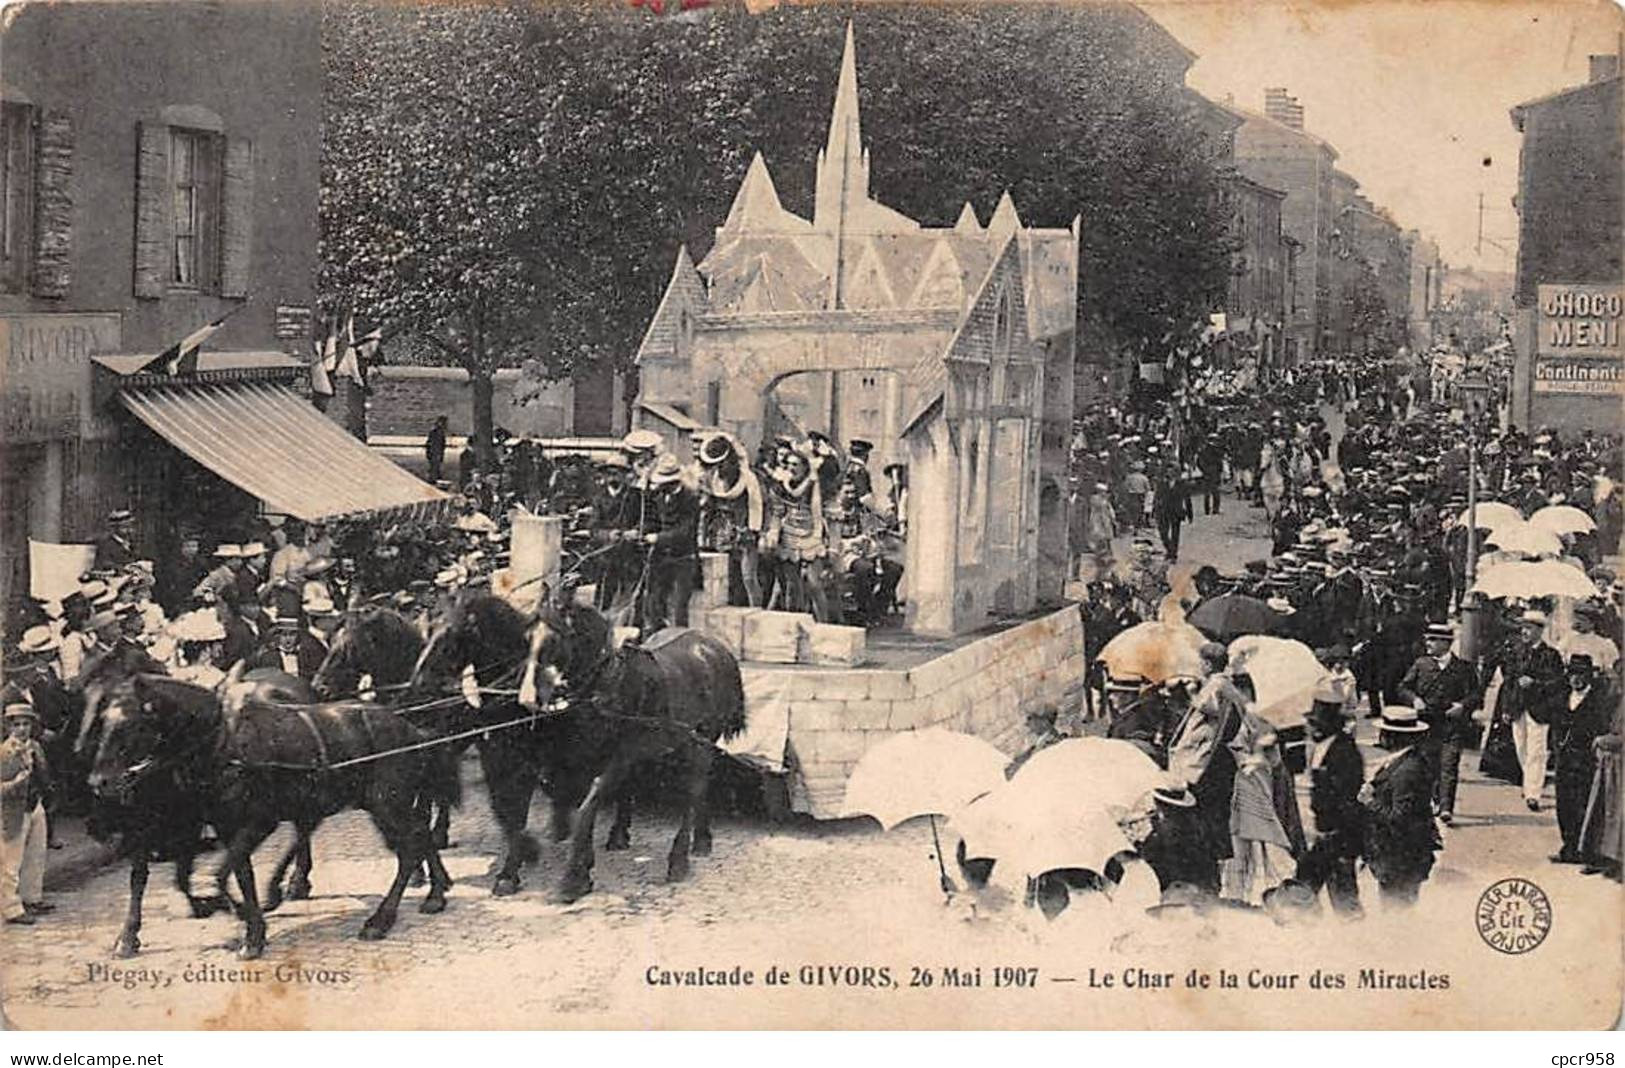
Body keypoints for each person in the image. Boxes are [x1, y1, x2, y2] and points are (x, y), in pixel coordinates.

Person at [1396, 621, 1480, 824]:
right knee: (1429, 765)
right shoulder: (1421, 664)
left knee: (1449, 765)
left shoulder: (1463, 668)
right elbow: (1403, 687)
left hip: (1452, 726)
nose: (1428, 643)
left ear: (1446, 643)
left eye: (1433, 640)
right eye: (1427, 639)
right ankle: (1434, 800)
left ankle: (1445, 807)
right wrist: (1414, 699)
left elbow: (1477, 694)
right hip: (1426, 725)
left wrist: (1462, 705)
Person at [1294, 687, 1365, 916]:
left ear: (1330, 725)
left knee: (1341, 895)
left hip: (1339, 834)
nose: (1311, 728)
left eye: (1316, 724)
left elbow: (1347, 797)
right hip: (1327, 832)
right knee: (1306, 886)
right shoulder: (1322, 746)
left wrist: (1336, 834)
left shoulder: (1344, 752)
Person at [1360, 706, 1438, 907]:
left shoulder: (1407, 772)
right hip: (1400, 856)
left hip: (1401, 858)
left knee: (1396, 911)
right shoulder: (1404, 762)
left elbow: (1400, 817)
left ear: (1390, 737)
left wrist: (1370, 802)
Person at [1491, 609, 1567, 812]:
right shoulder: (1516, 652)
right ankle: (1529, 782)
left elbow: (1558, 682)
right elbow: (1508, 682)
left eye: (1529, 628)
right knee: (1521, 748)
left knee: (1537, 751)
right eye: (1523, 628)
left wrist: (1535, 683)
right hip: (1518, 707)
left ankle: (1533, 793)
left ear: (1539, 631)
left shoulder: (1551, 655)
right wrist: (1506, 708)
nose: (1524, 632)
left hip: (1539, 709)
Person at [1553, 655, 1612, 866]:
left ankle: (1583, 848)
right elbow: (1552, 720)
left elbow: (1601, 727)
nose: (1575, 679)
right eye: (1572, 674)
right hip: (1565, 758)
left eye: (1580, 674)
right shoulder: (1563, 697)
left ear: (1589, 676)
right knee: (1563, 803)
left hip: (1585, 759)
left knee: (1582, 803)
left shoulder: (1598, 700)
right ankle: (1568, 846)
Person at [1, 701, 54, 925]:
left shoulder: (36, 747)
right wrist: (16, 782)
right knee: (10, 861)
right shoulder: (4, 753)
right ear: (9, 728)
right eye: (17, 725)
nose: (22, 729)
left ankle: (32, 897)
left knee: (36, 855)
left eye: (26, 724)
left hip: (35, 805)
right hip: (12, 810)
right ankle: (11, 908)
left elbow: (45, 775)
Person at [697, 434, 765, 608]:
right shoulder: (712, 479)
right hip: (720, 533)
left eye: (723, 464)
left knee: (748, 577)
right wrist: (703, 534)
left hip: (744, 532)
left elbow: (756, 506)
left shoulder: (748, 478)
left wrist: (753, 530)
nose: (720, 469)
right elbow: (707, 509)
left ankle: (755, 610)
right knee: (727, 578)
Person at [639, 454, 700, 631]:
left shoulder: (690, 499)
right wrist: (645, 531)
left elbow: (685, 531)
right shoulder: (657, 496)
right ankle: (656, 637)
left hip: (683, 559)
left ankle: (681, 641)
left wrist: (658, 538)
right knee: (654, 601)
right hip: (660, 558)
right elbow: (652, 520)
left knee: (680, 606)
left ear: (674, 482)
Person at [425, 415, 449, 484]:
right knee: (434, 466)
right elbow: (431, 443)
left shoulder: (439, 431)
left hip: (437, 452)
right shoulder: (436, 431)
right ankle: (433, 479)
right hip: (435, 452)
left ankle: (434, 478)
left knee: (436, 466)